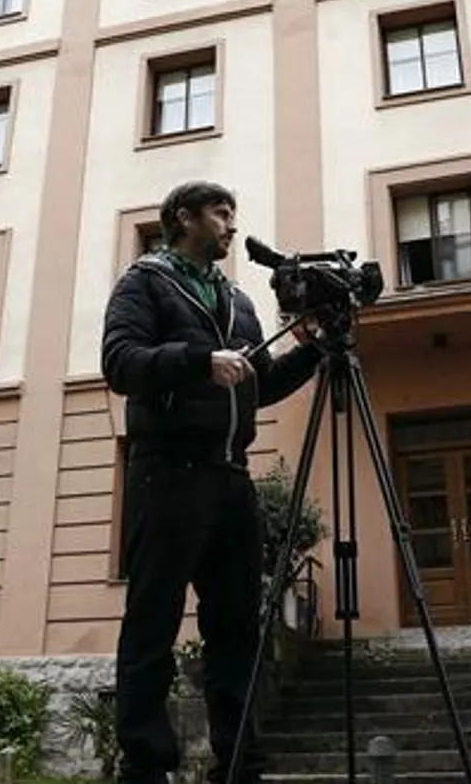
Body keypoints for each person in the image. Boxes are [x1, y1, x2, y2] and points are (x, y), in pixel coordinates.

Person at [102, 180, 323, 784]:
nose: (231, 224)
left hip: (231, 481)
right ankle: (146, 766)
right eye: (221, 212)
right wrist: (197, 361)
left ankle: (238, 764)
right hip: (167, 474)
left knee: (236, 630)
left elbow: (261, 386)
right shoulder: (144, 282)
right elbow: (119, 363)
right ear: (183, 217)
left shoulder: (240, 303)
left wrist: (311, 350)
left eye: (233, 213)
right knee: (153, 622)